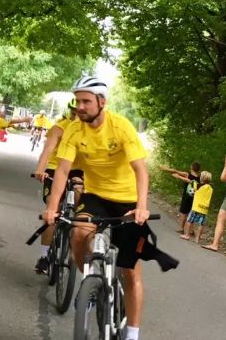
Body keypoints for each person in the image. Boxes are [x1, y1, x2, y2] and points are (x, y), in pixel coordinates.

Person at [43, 76, 150, 340]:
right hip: (96, 197)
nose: (80, 106)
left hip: (128, 200)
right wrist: (53, 208)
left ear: (102, 102)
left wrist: (142, 207)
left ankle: (132, 334)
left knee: (130, 271)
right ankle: (90, 283)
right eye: (77, 101)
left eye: (86, 101)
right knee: (78, 232)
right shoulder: (74, 130)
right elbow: (63, 170)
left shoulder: (121, 127)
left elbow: (141, 170)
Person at [31, 100, 82, 273]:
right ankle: (45, 256)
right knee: (52, 211)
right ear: (70, 112)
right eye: (74, 112)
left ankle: (78, 229)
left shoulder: (88, 130)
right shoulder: (59, 128)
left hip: (77, 171)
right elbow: (47, 150)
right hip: (55, 168)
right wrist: (40, 169)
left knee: (82, 201)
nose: (77, 115)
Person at [158, 162, 201, 234]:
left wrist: (165, 169)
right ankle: (191, 230)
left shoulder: (187, 174)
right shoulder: (200, 178)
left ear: (192, 167)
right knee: (191, 213)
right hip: (195, 198)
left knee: (183, 212)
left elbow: (176, 171)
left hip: (187, 197)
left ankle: (181, 228)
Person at [181, 171, 213, 243]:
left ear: (202, 178)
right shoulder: (211, 188)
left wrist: (192, 183)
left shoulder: (198, 186)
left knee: (189, 221)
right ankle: (197, 238)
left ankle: (187, 235)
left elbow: (193, 188)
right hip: (204, 209)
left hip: (196, 207)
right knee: (201, 224)